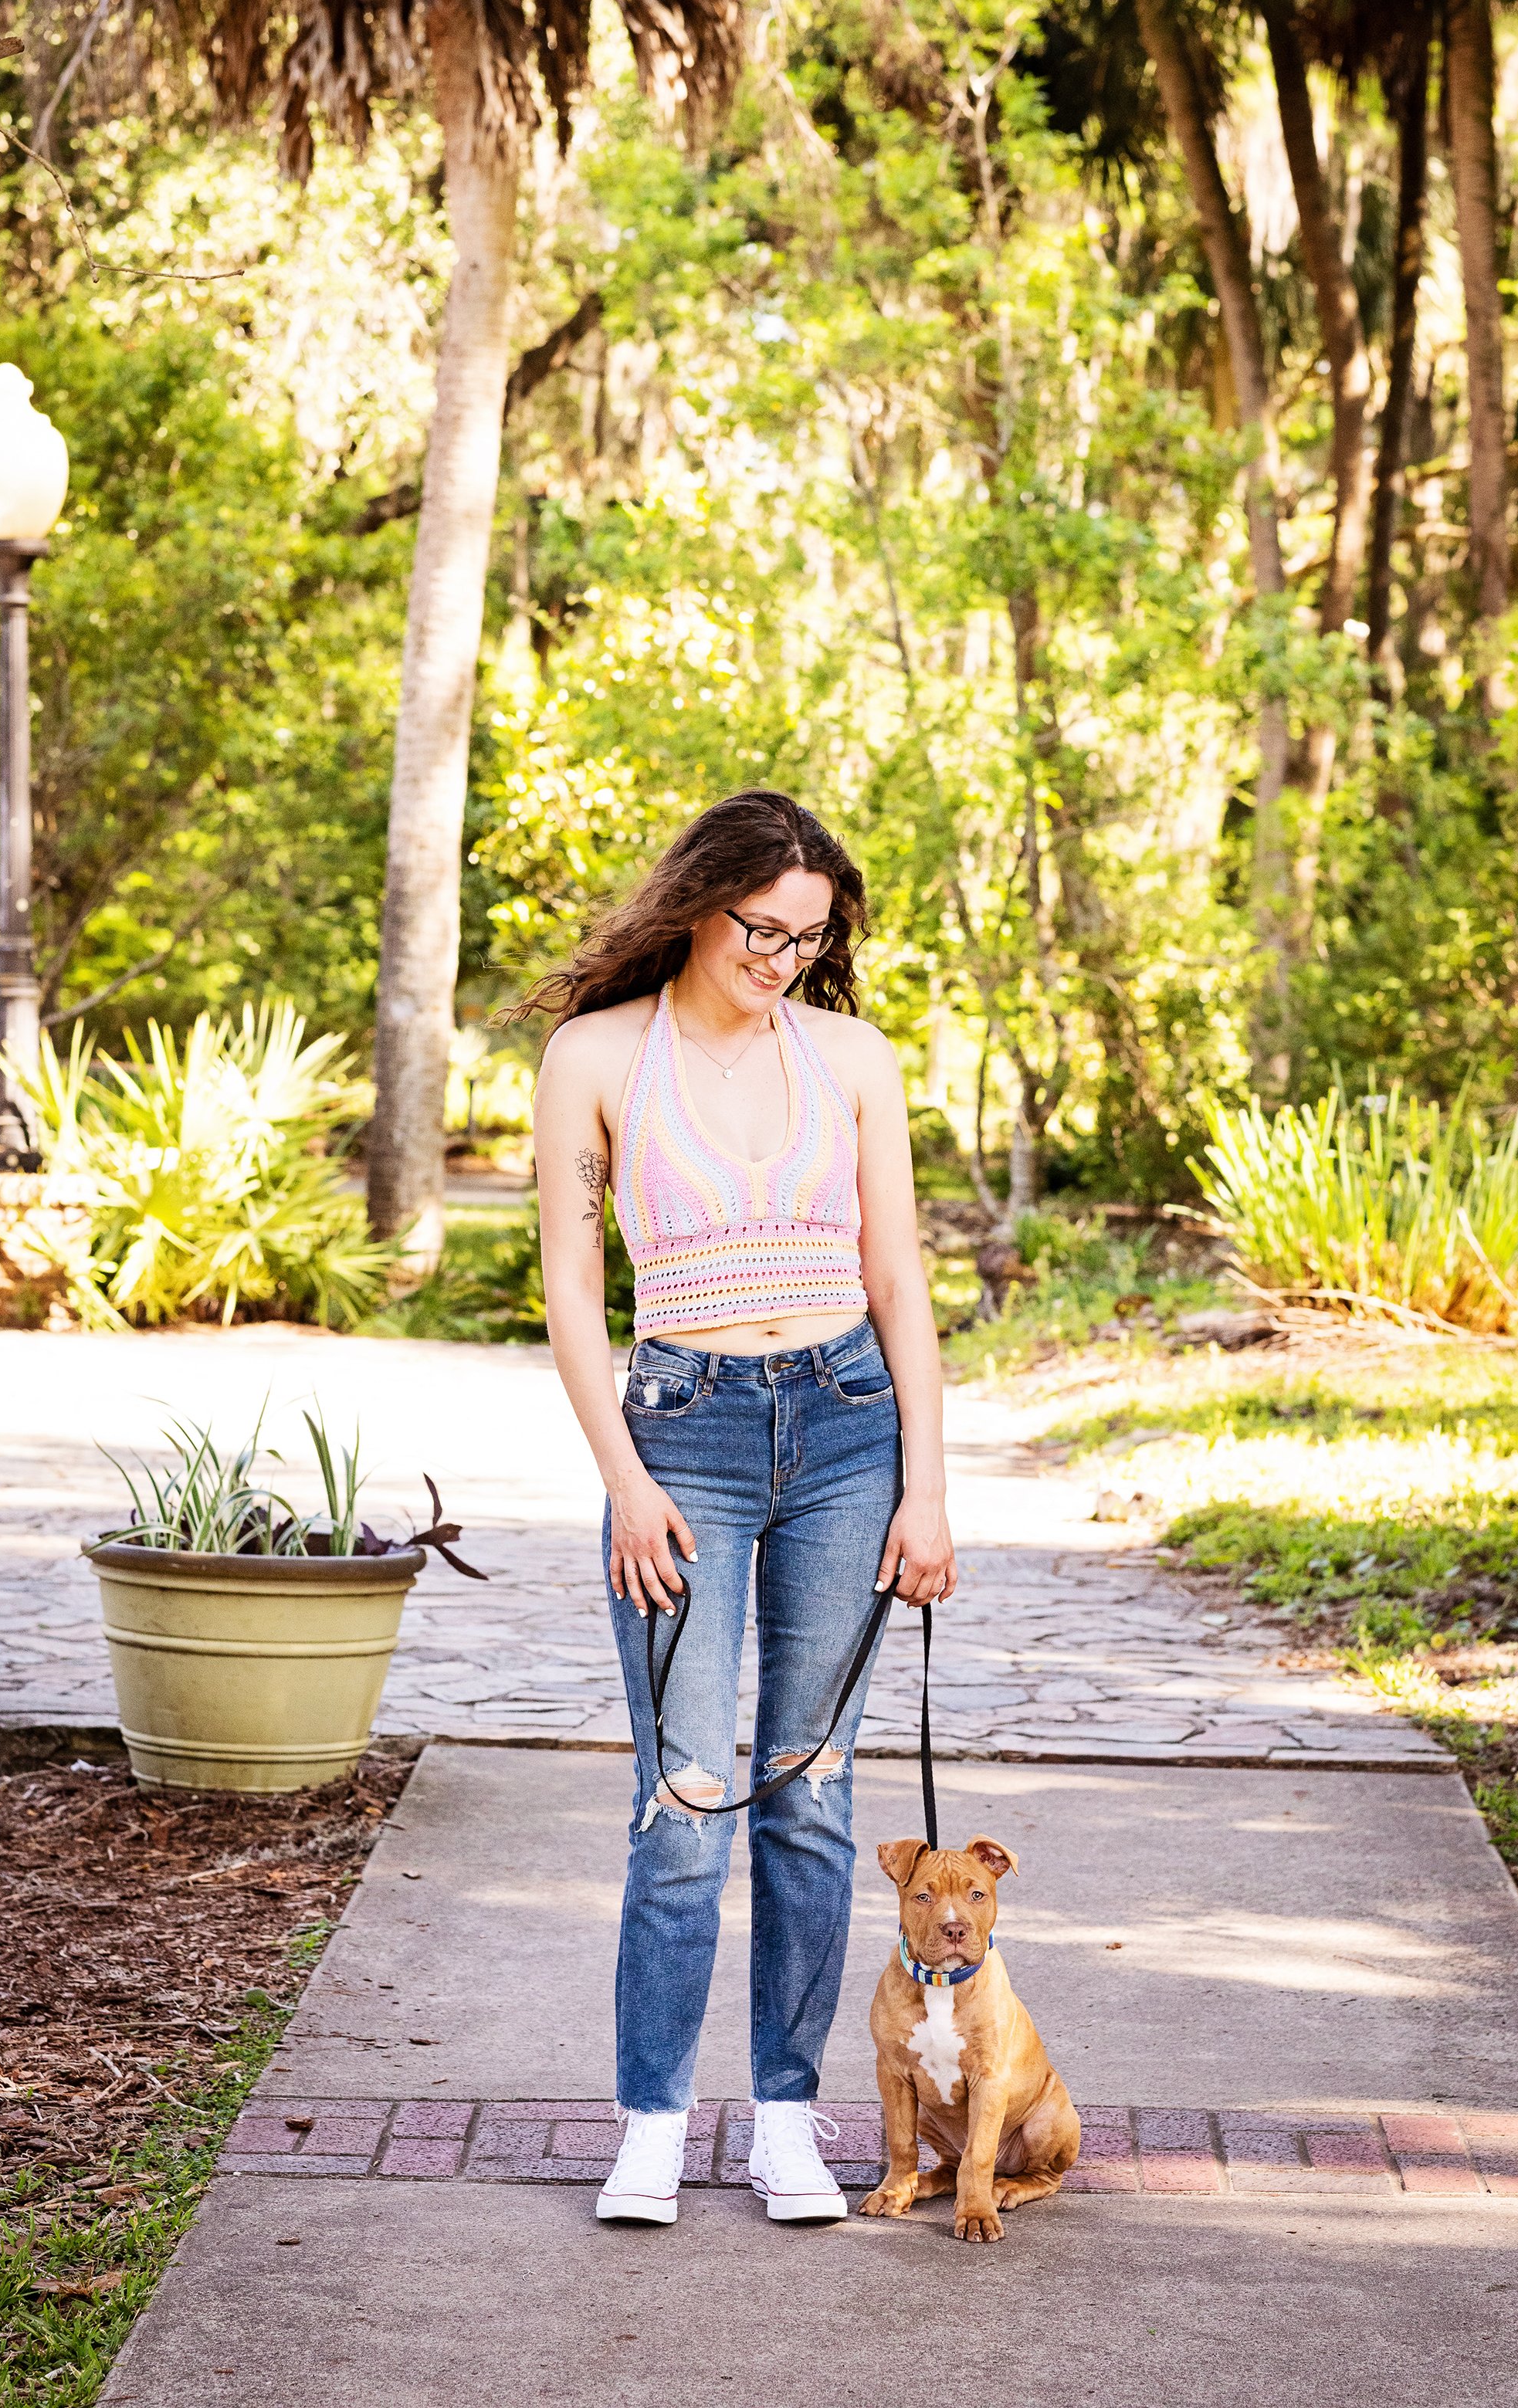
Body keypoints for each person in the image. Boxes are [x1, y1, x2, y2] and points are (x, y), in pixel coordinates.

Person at [523, 787, 955, 2227]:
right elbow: (574, 1300)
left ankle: (784, 2118)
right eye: (758, 928)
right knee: (685, 1804)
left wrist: (929, 1492)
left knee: (810, 1798)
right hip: (683, 1438)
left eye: (806, 938)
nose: (777, 957)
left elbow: (900, 1282)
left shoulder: (851, 1059)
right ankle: (651, 2123)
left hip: (845, 1432)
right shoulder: (595, 1056)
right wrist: (625, 1486)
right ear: (698, 905)